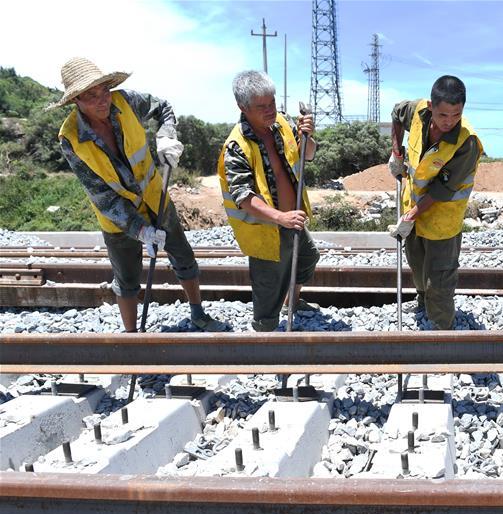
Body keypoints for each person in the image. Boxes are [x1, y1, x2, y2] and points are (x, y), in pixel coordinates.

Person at [56, 57, 226, 333]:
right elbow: (102, 196)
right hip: (117, 219)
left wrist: (167, 134)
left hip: (155, 198)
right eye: (90, 97)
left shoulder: (125, 102)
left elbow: (164, 108)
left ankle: (198, 314)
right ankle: (132, 338)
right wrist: (140, 231)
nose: (102, 101)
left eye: (104, 92)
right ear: (76, 100)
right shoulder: (71, 139)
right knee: (126, 279)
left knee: (182, 255)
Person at [218, 70, 319, 332]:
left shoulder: (281, 125)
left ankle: (292, 303)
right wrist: (280, 217)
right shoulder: (236, 146)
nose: (270, 110)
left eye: (272, 103)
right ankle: (266, 337)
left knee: (308, 257)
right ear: (243, 107)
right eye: (261, 107)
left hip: (291, 219)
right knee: (267, 292)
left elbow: (306, 156)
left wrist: (308, 137)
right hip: (265, 228)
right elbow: (243, 196)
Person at [388, 75, 482, 330]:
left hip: (443, 218)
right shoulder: (417, 112)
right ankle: (422, 302)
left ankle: (443, 331)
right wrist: (397, 153)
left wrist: (411, 216)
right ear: (431, 107)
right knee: (417, 266)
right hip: (415, 208)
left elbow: (443, 189)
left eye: (456, 114)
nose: (449, 121)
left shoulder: (467, 142)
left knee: (439, 279)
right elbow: (397, 113)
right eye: (443, 115)